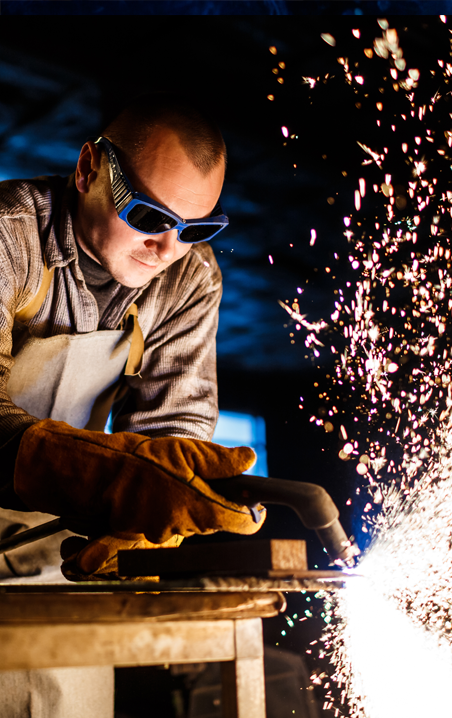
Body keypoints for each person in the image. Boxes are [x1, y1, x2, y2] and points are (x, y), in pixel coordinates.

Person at [0, 92, 266, 718]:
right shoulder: (8, 234)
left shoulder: (187, 277)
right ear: (89, 168)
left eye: (196, 228)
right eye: (147, 215)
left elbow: (173, 435)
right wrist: (110, 474)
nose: (167, 248)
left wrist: (148, 522)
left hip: (60, 562)